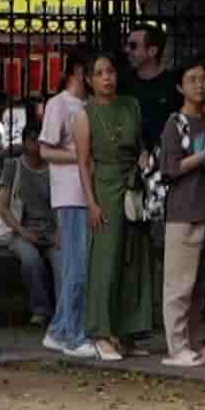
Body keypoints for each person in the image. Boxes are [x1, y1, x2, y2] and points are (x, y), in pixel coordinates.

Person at [76, 52, 159, 361]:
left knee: (134, 257)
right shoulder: (84, 115)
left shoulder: (131, 105)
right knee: (107, 259)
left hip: (132, 181)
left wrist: (143, 159)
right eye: (99, 73)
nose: (107, 78)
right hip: (106, 184)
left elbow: (141, 144)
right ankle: (101, 332)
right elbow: (83, 163)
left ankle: (128, 331)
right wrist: (91, 202)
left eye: (110, 71)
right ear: (89, 79)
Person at [160, 62, 205, 366]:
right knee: (179, 284)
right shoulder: (176, 123)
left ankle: (196, 341)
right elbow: (171, 167)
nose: (199, 85)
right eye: (192, 80)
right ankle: (176, 345)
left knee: (201, 283)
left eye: (204, 79)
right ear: (179, 87)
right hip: (183, 210)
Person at [39, 48, 98, 360]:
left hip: (88, 192)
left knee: (83, 265)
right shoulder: (59, 104)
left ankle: (62, 328)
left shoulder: (88, 105)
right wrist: (80, 157)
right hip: (70, 193)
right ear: (78, 72)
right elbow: (46, 150)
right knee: (76, 267)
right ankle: (70, 333)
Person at [0, 123, 57, 329]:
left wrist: (59, 234)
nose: (37, 145)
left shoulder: (53, 167)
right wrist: (23, 232)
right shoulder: (14, 166)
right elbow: (4, 208)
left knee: (61, 261)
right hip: (21, 230)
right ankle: (41, 310)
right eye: (33, 140)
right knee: (31, 261)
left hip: (50, 230)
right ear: (25, 143)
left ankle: (63, 311)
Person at [124, 24, 178, 149]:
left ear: (152, 51)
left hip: (165, 159)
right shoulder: (123, 84)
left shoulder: (173, 85)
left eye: (133, 46)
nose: (127, 50)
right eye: (127, 45)